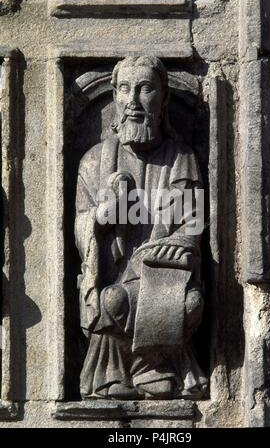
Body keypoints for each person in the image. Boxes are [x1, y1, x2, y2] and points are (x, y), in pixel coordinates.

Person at [75, 56, 207, 399]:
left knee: (190, 304)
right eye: (123, 89)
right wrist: (103, 216)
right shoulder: (94, 160)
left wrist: (180, 244)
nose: (133, 100)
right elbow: (80, 226)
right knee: (113, 299)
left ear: (162, 100)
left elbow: (192, 227)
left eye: (145, 88)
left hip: (163, 276)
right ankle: (113, 373)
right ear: (115, 98)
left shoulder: (182, 157)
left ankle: (155, 366)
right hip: (116, 278)